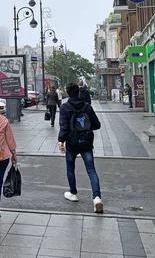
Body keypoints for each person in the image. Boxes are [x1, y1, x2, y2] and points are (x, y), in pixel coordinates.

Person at [58, 83, 104, 213]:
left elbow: (64, 126)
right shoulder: (87, 107)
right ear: (79, 93)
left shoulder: (65, 107)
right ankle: (97, 198)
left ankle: (73, 193)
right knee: (91, 169)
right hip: (86, 142)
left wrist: (61, 141)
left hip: (72, 143)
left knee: (70, 167)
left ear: (67, 94)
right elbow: (97, 125)